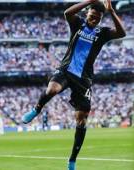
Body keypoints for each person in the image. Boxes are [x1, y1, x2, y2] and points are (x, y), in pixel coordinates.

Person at [21, 0, 126, 169]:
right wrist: (89, 1)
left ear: (100, 20)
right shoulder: (77, 24)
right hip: (66, 70)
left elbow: (122, 33)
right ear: (87, 13)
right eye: (92, 16)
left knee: (81, 120)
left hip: (84, 79)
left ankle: (72, 160)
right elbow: (67, 13)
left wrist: (112, 12)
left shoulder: (103, 32)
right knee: (52, 89)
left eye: (97, 18)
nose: (94, 20)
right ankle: (36, 109)